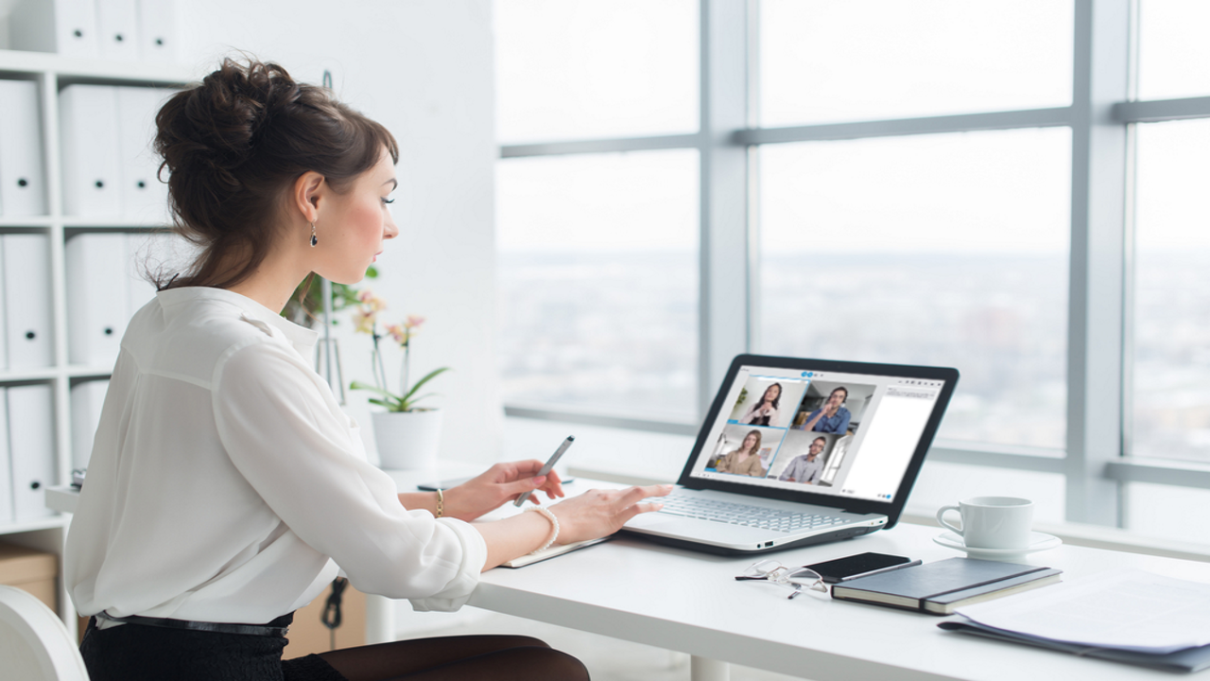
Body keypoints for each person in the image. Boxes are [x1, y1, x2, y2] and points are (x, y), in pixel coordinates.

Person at [63, 58, 670, 681]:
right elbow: (405, 564)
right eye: (383, 197)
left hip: (133, 660)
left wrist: (446, 501)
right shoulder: (246, 356)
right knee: (549, 676)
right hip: (205, 672)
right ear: (313, 196)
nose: (393, 224)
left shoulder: (170, 323)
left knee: (537, 659)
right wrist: (563, 521)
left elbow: (273, 502)